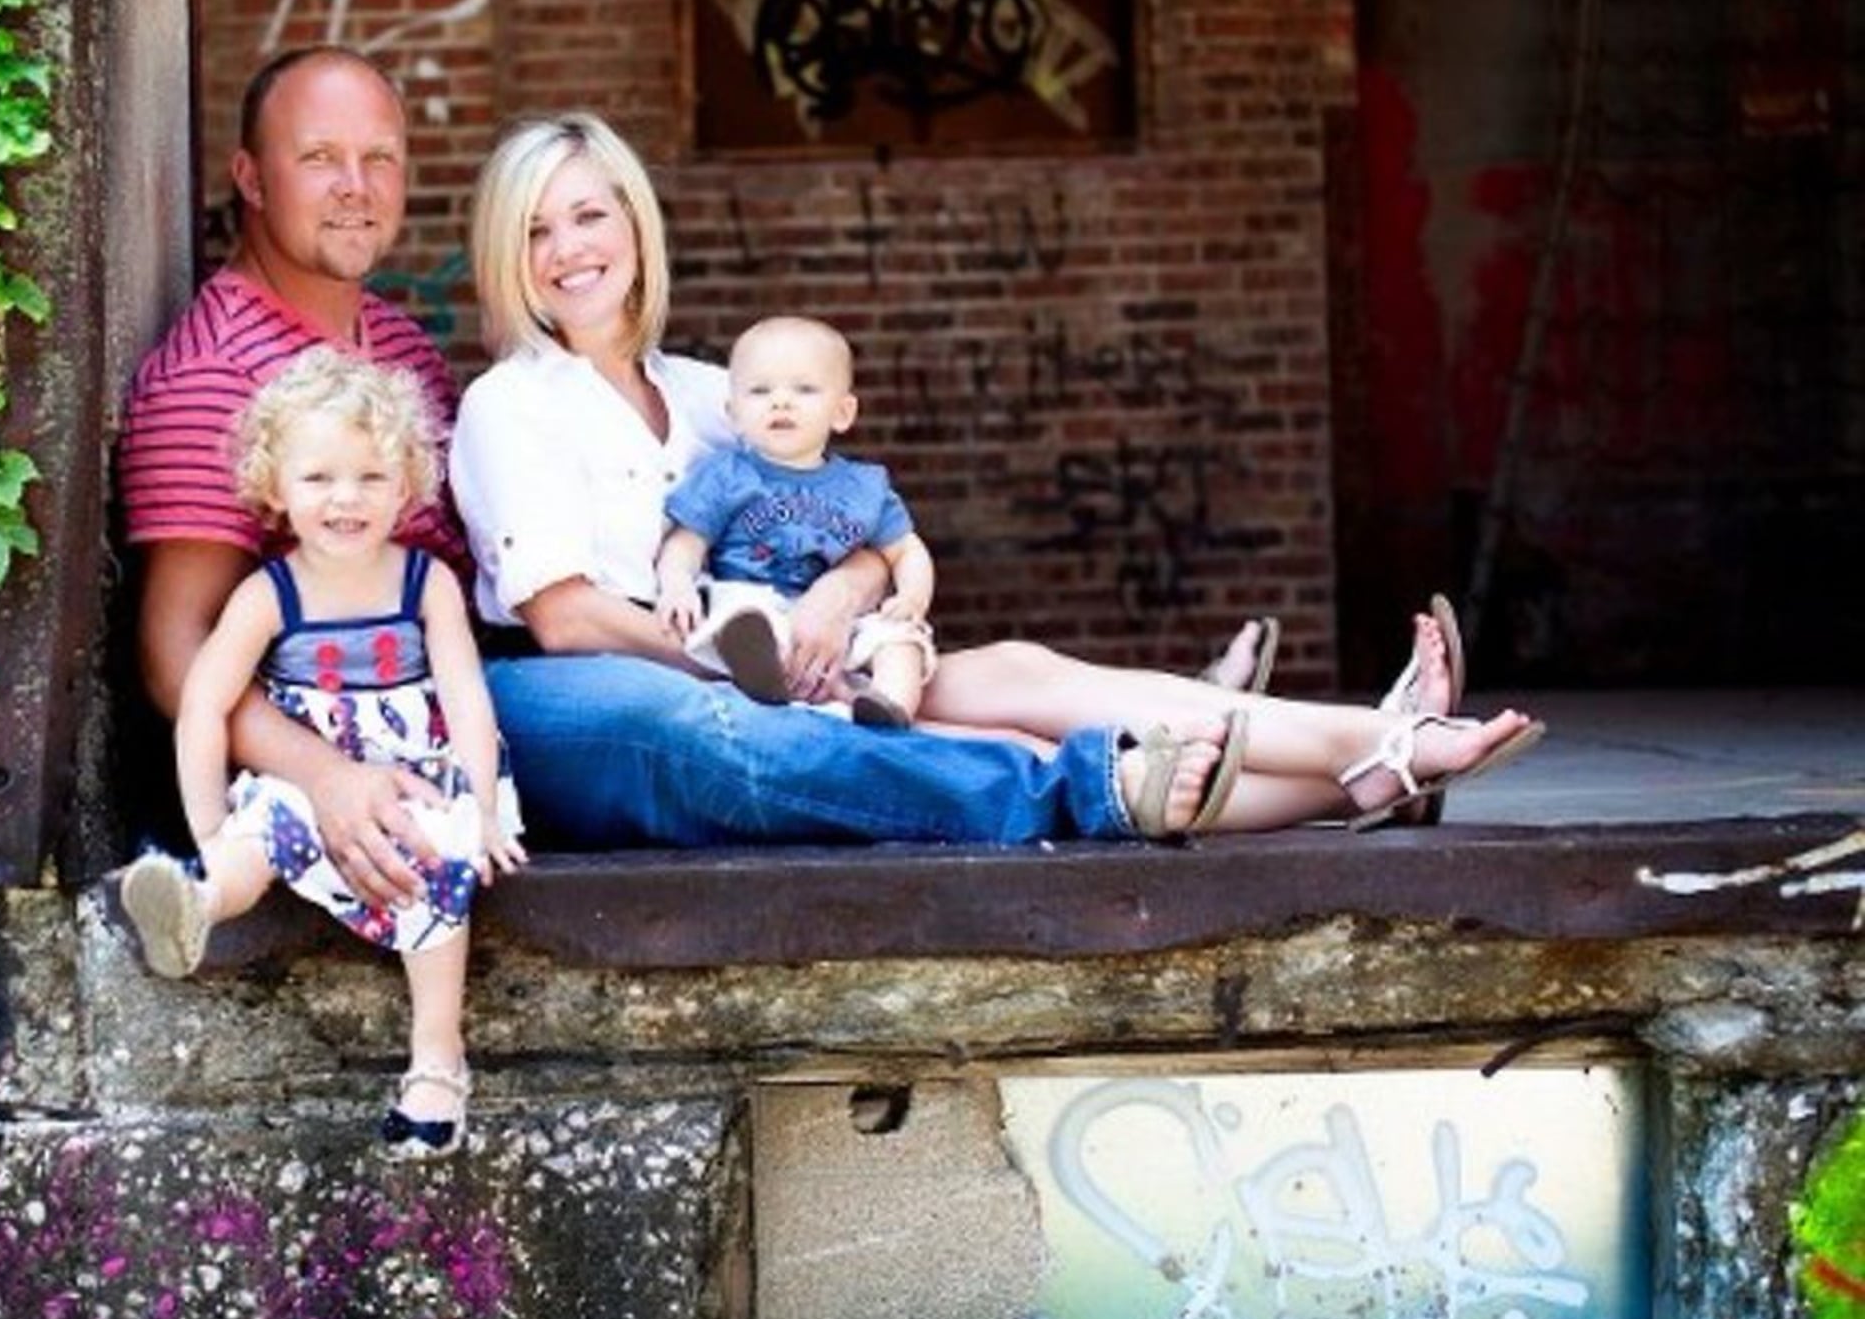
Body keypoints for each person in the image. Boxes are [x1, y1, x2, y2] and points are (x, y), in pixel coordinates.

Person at [449, 110, 1544, 848]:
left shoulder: (709, 391)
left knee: (1016, 672)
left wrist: (839, 594)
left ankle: (1368, 749)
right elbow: (566, 618)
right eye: (535, 230)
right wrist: (747, 667)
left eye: (588, 214)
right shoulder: (511, 403)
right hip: (614, 693)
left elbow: (845, 521)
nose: (567, 249)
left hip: (791, 653)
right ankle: (1332, 765)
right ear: (508, 254)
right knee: (967, 747)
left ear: (634, 224)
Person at [120, 348, 525, 1157]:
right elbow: (202, 705)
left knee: (433, 848)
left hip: (417, 777)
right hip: (308, 777)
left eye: (372, 476)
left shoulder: (426, 583)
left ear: (407, 485)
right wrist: (210, 827)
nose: (346, 497)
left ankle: (436, 1057)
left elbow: (467, 699)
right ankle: (197, 903)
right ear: (275, 488)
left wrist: (481, 808)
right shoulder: (267, 594)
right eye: (318, 478)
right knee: (260, 826)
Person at [121, 44, 469, 916]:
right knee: (666, 733)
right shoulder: (215, 374)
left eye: (379, 157)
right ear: (251, 176)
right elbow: (173, 650)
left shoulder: (403, 348)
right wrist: (329, 778)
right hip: (357, 738)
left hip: (462, 709)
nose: (356, 185)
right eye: (319, 157)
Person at [655, 314, 937, 727]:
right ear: (734, 413)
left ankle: (887, 706)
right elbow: (686, 542)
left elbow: (906, 550)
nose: (781, 402)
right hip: (756, 602)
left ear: (842, 412)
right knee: (737, 615)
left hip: (844, 625)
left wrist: (912, 598)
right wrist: (676, 584)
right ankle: (768, 679)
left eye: (804, 389)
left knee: (900, 640)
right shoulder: (726, 475)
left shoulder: (864, 486)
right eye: (760, 390)